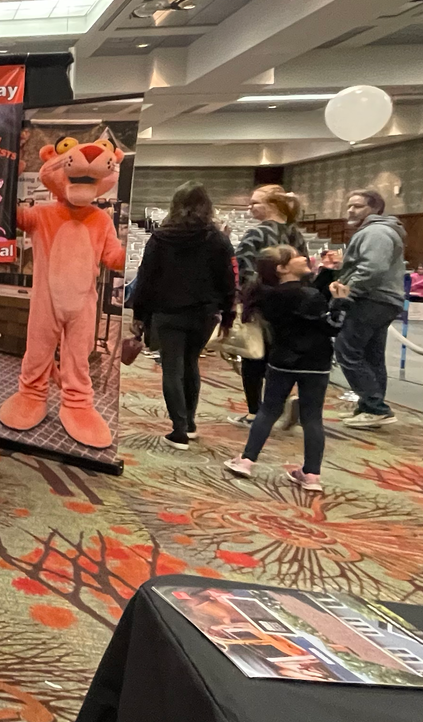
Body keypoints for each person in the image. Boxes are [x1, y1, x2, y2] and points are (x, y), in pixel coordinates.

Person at [224, 245, 351, 492]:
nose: (304, 257)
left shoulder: (269, 295)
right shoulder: (308, 296)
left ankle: (247, 459)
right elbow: (332, 325)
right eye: (295, 257)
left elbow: (310, 297)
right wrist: (341, 302)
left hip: (283, 359)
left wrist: (326, 273)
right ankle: (312, 473)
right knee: (312, 417)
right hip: (316, 361)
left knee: (269, 411)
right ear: (282, 268)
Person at [128, 182, 234, 448]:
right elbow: (228, 280)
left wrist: (139, 314)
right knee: (191, 364)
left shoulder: (161, 237)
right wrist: (229, 314)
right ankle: (191, 423)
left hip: (168, 312)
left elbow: (146, 278)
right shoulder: (218, 238)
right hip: (204, 313)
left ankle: (179, 429)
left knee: (172, 368)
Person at [230, 185, 309, 426]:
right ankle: (279, 404)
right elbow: (307, 272)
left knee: (254, 357)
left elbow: (243, 269)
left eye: (255, 203)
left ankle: (255, 412)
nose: (250, 207)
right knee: (280, 357)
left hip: (263, 304)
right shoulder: (296, 234)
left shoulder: (257, 234)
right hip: (294, 303)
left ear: (272, 205)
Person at [328, 188, 405, 428]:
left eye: (358, 206)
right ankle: (370, 406)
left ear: (374, 208)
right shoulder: (377, 231)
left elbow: (372, 269)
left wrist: (347, 292)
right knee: (371, 356)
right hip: (381, 300)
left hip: (372, 299)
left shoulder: (376, 232)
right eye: (350, 206)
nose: (351, 210)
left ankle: (375, 406)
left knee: (347, 351)